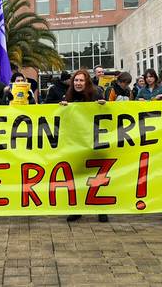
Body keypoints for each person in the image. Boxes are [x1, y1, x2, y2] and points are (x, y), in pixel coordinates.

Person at [62, 70, 108, 223]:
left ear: (86, 82)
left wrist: (103, 106)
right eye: (76, 81)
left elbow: (108, 114)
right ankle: (77, 209)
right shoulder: (68, 96)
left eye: (81, 81)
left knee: (98, 176)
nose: (78, 83)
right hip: (77, 142)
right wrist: (62, 108)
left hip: (95, 141)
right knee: (78, 177)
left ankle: (101, 209)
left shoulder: (96, 94)